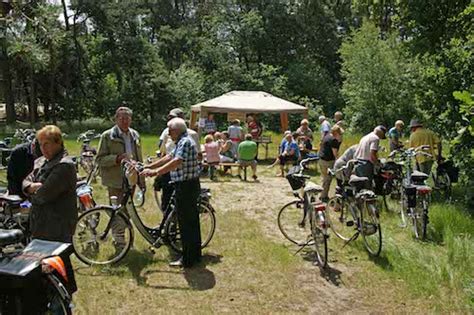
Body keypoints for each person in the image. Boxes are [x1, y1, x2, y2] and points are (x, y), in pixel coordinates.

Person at [22, 125, 77, 293]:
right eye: (40, 144)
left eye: (46, 144)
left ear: (58, 143)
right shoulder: (41, 161)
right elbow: (25, 182)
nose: (42, 148)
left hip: (57, 226)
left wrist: (32, 190)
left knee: (58, 266)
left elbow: (42, 196)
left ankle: (63, 302)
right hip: (41, 225)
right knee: (45, 268)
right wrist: (31, 187)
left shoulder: (64, 166)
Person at [141, 118, 201, 268]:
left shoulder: (185, 142)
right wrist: (148, 166)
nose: (168, 132)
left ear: (177, 130)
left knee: (186, 224)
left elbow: (177, 161)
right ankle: (195, 255)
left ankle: (188, 259)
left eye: (170, 130)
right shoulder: (181, 141)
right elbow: (169, 157)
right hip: (186, 185)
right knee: (190, 222)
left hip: (186, 186)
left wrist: (155, 172)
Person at [96, 106, 144, 249]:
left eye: (127, 118)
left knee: (129, 210)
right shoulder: (108, 136)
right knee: (116, 210)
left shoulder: (135, 135)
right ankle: (119, 241)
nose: (124, 121)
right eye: (121, 118)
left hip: (132, 178)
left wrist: (141, 179)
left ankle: (123, 238)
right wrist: (117, 159)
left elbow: (138, 158)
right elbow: (99, 160)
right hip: (115, 180)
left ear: (131, 119)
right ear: (116, 119)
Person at [157, 108, 202, 211]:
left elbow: (179, 159)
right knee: (167, 199)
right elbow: (166, 154)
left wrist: (156, 171)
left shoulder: (189, 137)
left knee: (184, 210)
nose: (169, 133)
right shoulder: (169, 133)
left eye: (173, 118)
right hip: (169, 171)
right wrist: (152, 167)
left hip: (183, 175)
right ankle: (168, 224)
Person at [318, 125, 344, 202]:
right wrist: (340, 161)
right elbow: (335, 153)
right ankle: (323, 196)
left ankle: (322, 193)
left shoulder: (327, 136)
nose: (341, 135)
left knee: (324, 178)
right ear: (336, 133)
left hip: (321, 159)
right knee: (328, 179)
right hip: (328, 161)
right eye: (340, 133)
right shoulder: (334, 140)